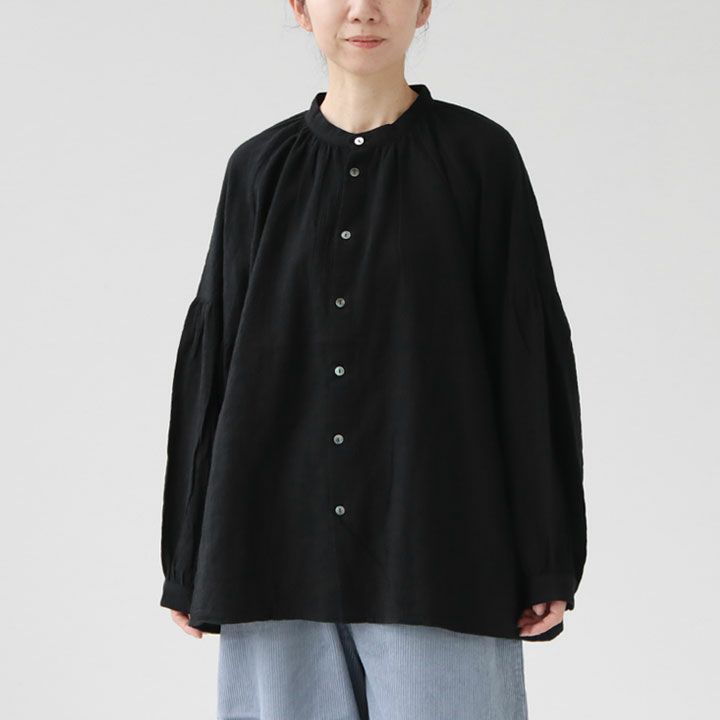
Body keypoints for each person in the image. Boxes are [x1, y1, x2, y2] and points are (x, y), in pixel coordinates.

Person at [158, 1, 587, 718]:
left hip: (438, 544)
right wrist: (188, 554)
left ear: (424, 8)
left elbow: (525, 356)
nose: (364, 10)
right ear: (301, 9)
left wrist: (546, 553)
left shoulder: (479, 158)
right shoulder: (259, 168)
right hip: (272, 543)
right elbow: (215, 360)